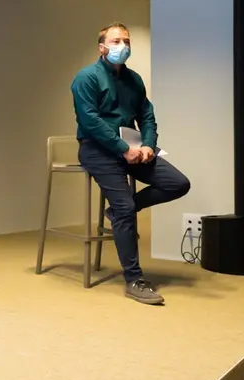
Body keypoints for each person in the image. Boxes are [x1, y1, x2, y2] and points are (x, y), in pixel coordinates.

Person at [71, 22, 191, 306]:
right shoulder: (86, 78)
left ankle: (117, 212)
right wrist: (123, 149)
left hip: (133, 147)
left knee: (178, 183)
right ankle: (134, 279)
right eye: (116, 41)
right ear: (102, 47)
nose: (122, 46)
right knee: (126, 207)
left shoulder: (134, 79)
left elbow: (147, 116)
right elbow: (90, 121)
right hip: (98, 150)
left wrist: (147, 144)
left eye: (126, 41)